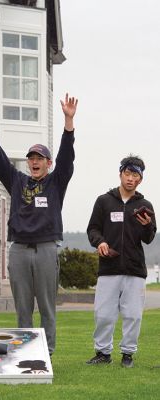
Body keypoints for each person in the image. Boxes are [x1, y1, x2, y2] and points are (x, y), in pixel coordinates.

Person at [0, 93, 78, 356]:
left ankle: (48, 353)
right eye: (31, 157)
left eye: (39, 158)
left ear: (48, 163)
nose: (34, 161)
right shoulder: (17, 181)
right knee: (23, 306)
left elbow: (67, 158)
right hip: (19, 249)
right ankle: (26, 351)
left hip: (45, 249)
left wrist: (69, 123)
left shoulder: (56, 182)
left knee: (46, 305)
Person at [86, 155, 156, 368]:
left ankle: (128, 355)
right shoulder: (104, 201)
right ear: (120, 174)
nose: (130, 178)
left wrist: (147, 225)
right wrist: (100, 242)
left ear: (140, 180)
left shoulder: (145, 205)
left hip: (135, 270)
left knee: (133, 315)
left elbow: (149, 237)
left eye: (135, 175)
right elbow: (93, 229)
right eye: (127, 173)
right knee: (104, 314)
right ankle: (103, 353)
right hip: (109, 268)